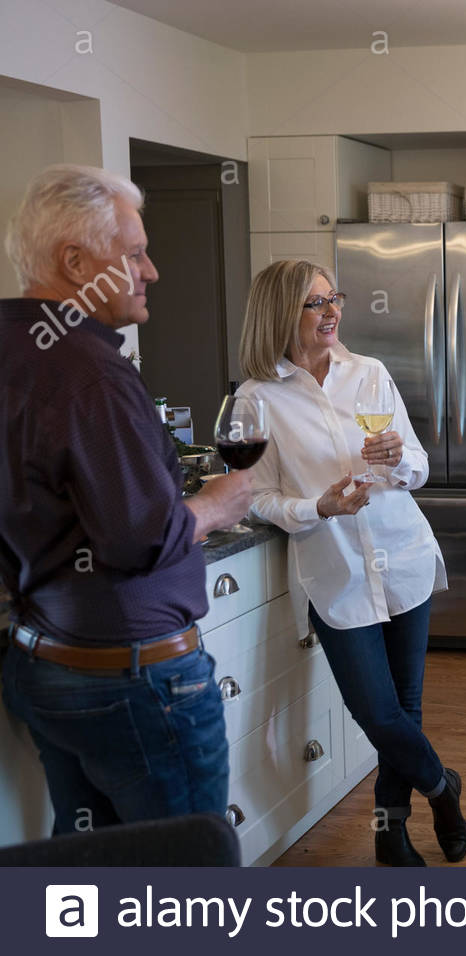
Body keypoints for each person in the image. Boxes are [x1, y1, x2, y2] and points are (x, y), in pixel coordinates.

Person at [0, 164, 252, 834]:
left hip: (44, 663)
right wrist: (218, 505)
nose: (152, 271)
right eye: (135, 253)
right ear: (76, 261)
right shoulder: (88, 371)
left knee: (90, 869)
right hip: (133, 679)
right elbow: (139, 538)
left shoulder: (12, 351)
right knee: (184, 880)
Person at [236, 259, 466, 866]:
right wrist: (319, 505)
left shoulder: (369, 373)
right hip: (335, 572)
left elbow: (415, 466)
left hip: (405, 558)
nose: (332, 311)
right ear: (281, 314)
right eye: (315, 303)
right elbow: (255, 498)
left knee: (406, 707)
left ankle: (390, 832)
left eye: (333, 297)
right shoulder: (255, 401)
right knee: (376, 710)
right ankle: (443, 789)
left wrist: (398, 457)